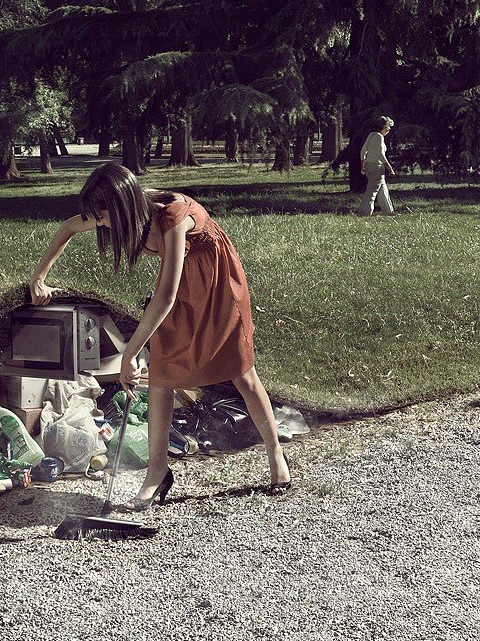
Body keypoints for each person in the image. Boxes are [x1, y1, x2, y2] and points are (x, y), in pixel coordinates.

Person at [29, 162, 289, 511]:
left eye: (103, 217)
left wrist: (129, 354)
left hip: (217, 286)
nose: (100, 225)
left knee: (242, 372)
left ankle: (275, 455)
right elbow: (68, 228)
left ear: (121, 206)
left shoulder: (173, 216)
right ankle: (157, 472)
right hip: (180, 288)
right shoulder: (118, 213)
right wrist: (39, 277)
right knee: (161, 378)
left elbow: (165, 297)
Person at [359, 116, 397, 215]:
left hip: (368, 165)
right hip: (376, 167)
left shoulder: (371, 135)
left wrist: (362, 165)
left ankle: (389, 212)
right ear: (383, 127)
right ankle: (364, 212)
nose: (389, 130)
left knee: (383, 190)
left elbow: (363, 151)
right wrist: (389, 168)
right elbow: (380, 154)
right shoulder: (379, 136)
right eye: (388, 128)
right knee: (372, 191)